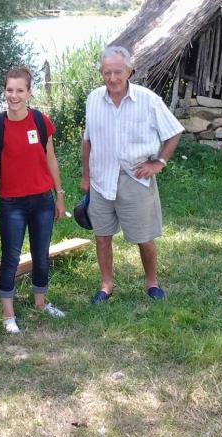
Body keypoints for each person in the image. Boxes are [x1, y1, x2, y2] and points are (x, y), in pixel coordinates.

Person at [80, 46, 184, 305]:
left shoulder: (147, 100)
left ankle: (151, 282)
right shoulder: (93, 99)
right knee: (102, 236)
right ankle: (106, 285)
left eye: (117, 72)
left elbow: (174, 131)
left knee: (144, 237)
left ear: (129, 71)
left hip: (135, 178)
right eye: (106, 72)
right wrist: (86, 175)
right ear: (101, 73)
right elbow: (87, 140)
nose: (112, 78)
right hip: (101, 180)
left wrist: (159, 161)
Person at [0, 67, 66, 334]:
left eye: (20, 90)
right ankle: (8, 315)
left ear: (29, 92)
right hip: (12, 204)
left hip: (42, 200)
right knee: (11, 258)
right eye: (9, 90)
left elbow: (50, 159)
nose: (14, 95)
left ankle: (41, 303)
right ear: (4, 91)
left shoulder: (41, 121)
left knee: (42, 255)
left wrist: (59, 195)